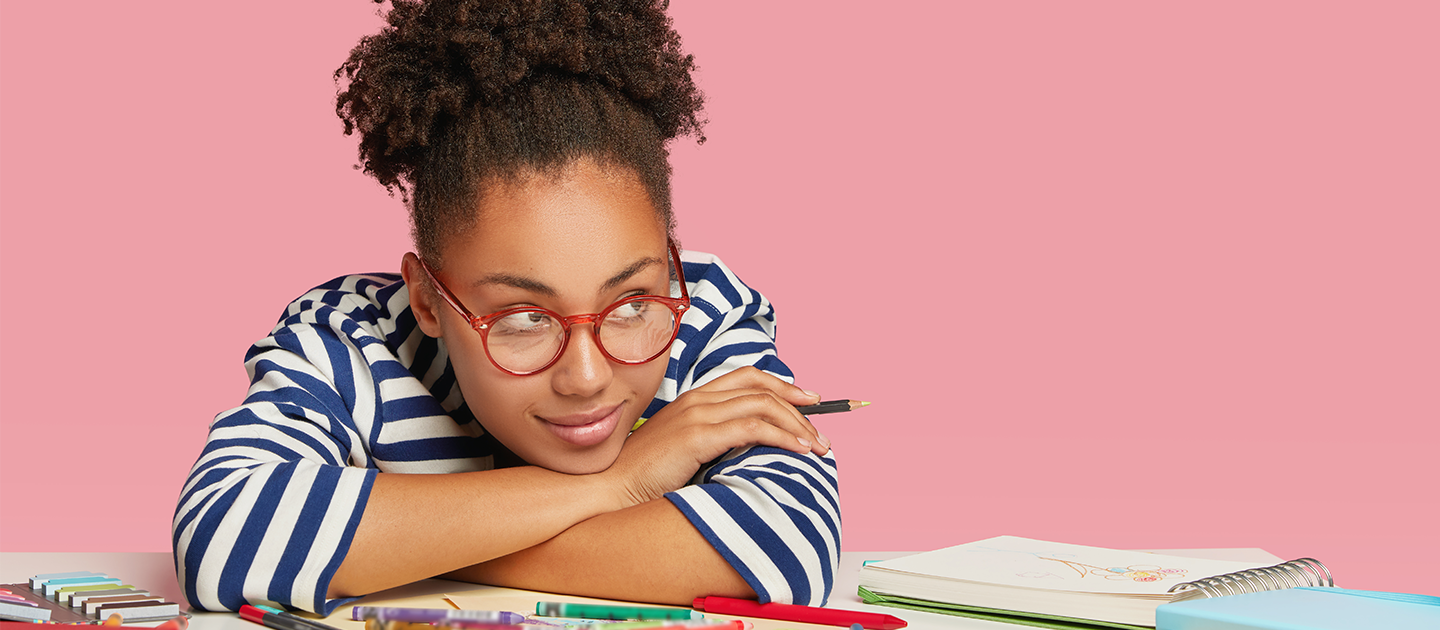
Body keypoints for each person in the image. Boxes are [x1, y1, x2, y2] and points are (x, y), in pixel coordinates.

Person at [171, 0, 839, 615]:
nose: (586, 377)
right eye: (523, 321)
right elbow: (226, 530)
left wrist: (394, 549)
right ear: (429, 299)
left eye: (631, 302)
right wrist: (618, 485)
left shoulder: (702, 318)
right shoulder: (349, 345)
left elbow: (786, 545)